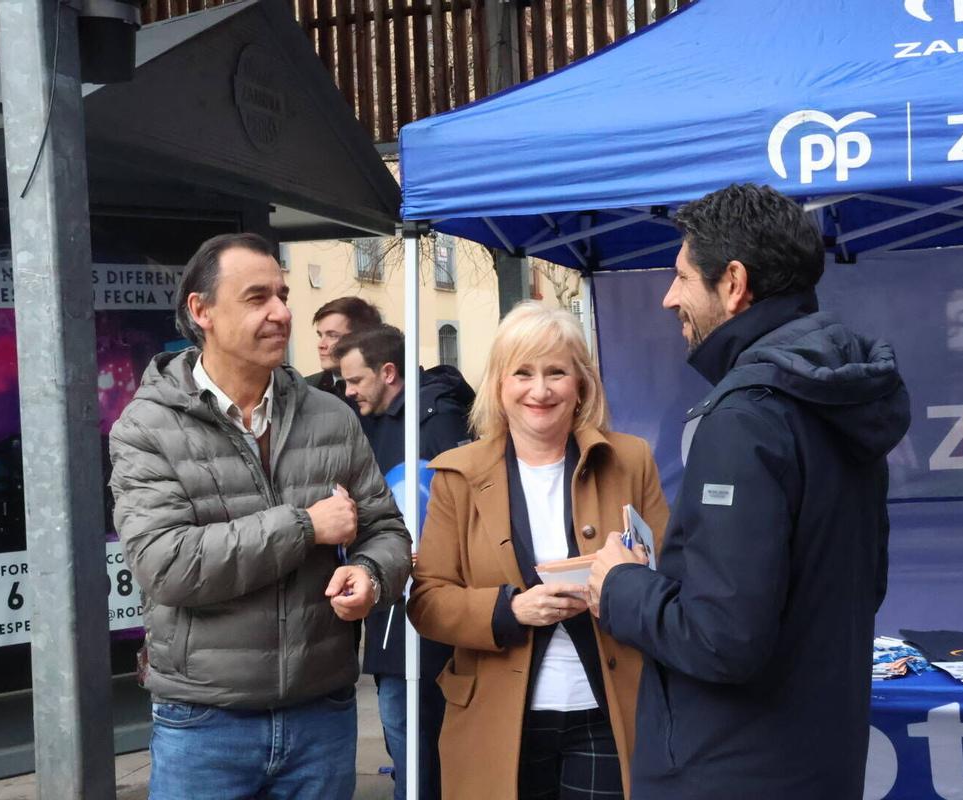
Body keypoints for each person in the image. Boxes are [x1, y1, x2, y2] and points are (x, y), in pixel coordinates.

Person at [587, 184, 910, 800]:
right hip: (815, 758)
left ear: (733, 283)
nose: (668, 297)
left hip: (729, 768)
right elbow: (861, 587)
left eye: (682, 277)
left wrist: (622, 586)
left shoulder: (748, 416)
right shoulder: (835, 395)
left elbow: (724, 638)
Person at [109, 233, 411, 800]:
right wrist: (305, 527)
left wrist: (371, 575)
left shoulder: (331, 416)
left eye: (283, 294)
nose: (281, 312)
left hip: (321, 715)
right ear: (202, 312)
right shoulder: (147, 428)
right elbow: (167, 565)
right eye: (257, 298)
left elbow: (388, 531)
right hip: (205, 725)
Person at [407, 302, 669, 800]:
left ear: (581, 385)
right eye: (522, 372)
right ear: (499, 385)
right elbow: (427, 601)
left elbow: (672, 576)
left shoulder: (630, 459)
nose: (540, 390)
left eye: (556, 372)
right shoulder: (455, 475)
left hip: (608, 714)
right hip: (493, 720)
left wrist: (624, 588)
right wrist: (510, 609)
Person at [335, 324, 475, 800]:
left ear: (388, 372)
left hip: (422, 612)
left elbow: (467, 507)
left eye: (355, 380)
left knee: (416, 738)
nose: (348, 391)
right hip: (387, 608)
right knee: (405, 738)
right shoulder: (374, 421)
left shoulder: (438, 421)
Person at [307, 296, 383, 399]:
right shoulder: (304, 389)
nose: (321, 345)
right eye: (320, 335)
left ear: (361, 338)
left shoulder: (386, 390)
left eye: (332, 336)